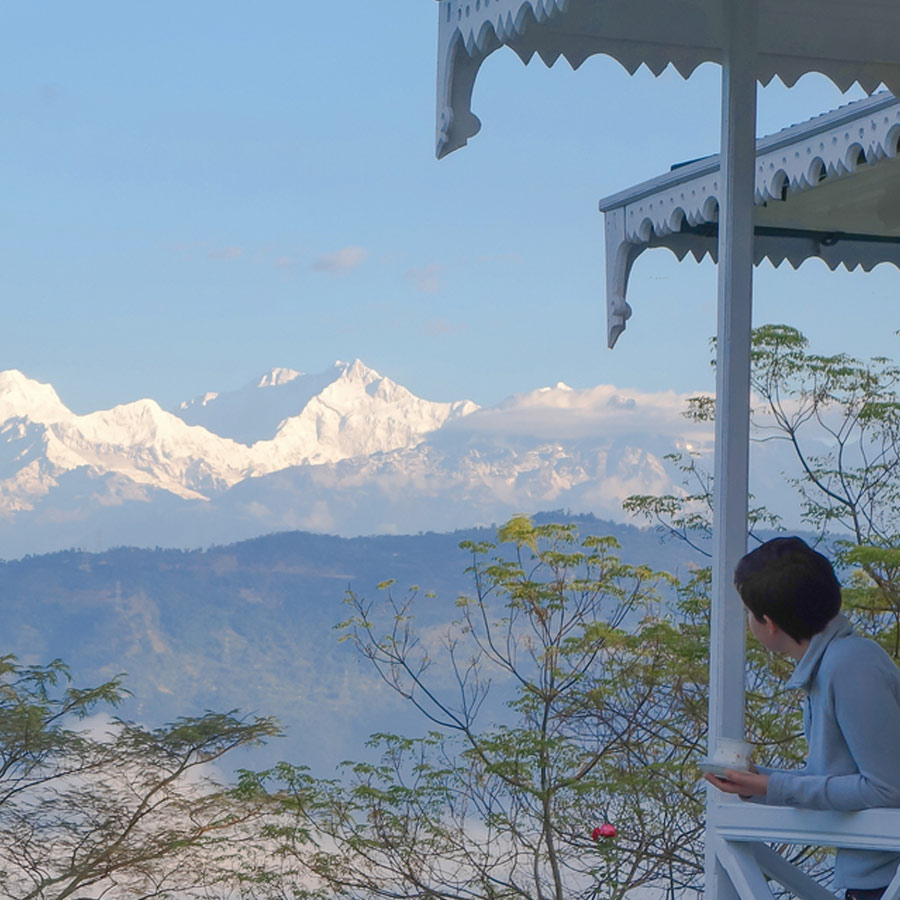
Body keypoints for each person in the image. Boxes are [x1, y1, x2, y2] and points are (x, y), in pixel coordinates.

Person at [705, 536, 900, 900]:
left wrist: (772, 787)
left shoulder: (851, 665)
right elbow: (842, 780)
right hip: (873, 879)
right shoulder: (833, 664)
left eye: (748, 612)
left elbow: (887, 788)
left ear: (769, 623)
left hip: (885, 883)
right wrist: (759, 783)